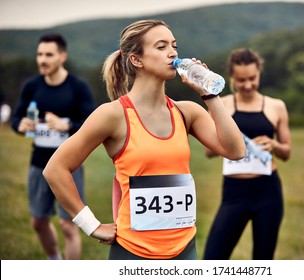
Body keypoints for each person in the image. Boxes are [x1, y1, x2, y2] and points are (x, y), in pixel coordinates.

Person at [42, 19, 245, 260]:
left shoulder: (187, 112)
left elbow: (236, 151)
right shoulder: (112, 115)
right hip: (133, 252)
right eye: (161, 47)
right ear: (136, 60)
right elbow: (55, 169)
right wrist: (91, 225)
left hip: (185, 249)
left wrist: (210, 94)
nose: (173, 53)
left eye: (174, 46)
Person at [11, 33, 96, 260]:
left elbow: (92, 124)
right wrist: (21, 124)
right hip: (39, 163)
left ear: (62, 57)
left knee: (69, 225)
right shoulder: (31, 86)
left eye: (49, 54)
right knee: (38, 222)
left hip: (70, 165)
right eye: (39, 54)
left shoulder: (78, 87)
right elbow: (16, 118)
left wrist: (66, 124)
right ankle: (54, 262)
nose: (42, 60)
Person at [203, 48, 291, 260]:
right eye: (241, 80)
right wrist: (232, 143)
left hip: (267, 192)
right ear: (232, 77)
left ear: (259, 72)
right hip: (234, 193)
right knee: (213, 258)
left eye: (252, 78)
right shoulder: (221, 104)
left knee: (263, 260)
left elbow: (287, 152)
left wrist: (273, 145)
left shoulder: (276, 106)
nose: (248, 84)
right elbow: (208, 151)